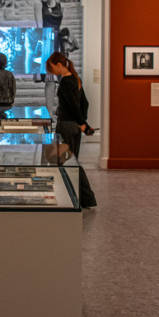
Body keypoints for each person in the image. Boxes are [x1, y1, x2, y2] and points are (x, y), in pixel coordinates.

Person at [46, 51, 97, 208]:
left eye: (52, 68)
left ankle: (86, 197)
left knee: (67, 162)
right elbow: (84, 104)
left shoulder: (66, 82)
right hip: (73, 126)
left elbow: (74, 106)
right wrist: (82, 123)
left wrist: (81, 122)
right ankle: (74, 196)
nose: (52, 72)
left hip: (66, 126)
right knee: (70, 161)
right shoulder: (75, 79)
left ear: (59, 65)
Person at [34, 0, 63, 116]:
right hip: (47, 41)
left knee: (60, 79)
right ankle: (49, 113)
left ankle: (58, 110)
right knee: (50, 80)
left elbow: (61, 25)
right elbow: (39, 26)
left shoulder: (60, 6)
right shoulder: (39, 5)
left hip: (58, 43)